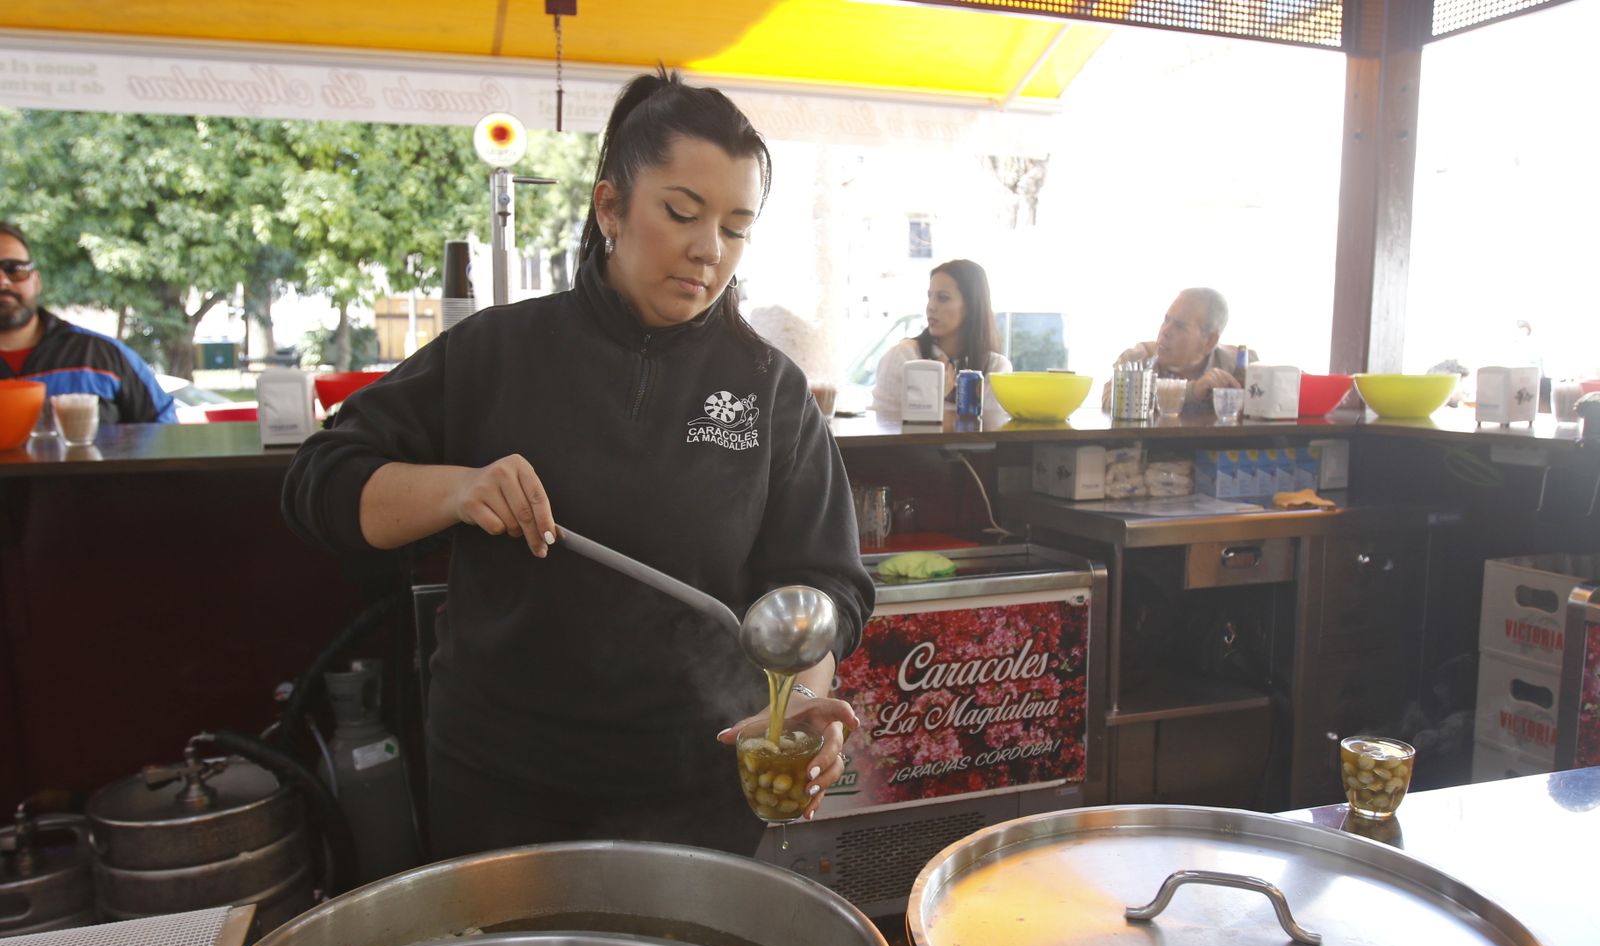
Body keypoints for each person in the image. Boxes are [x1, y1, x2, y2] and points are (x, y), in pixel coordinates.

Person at [282, 70, 874, 862]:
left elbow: (827, 586)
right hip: (503, 781)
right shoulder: (496, 352)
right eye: (682, 213)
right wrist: (458, 489)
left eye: (736, 228)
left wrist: (803, 696)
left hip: (695, 782)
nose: (709, 249)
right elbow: (319, 481)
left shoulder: (769, 389)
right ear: (609, 208)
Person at [0, 222, 176, 425]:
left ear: (36, 281)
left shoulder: (104, 357)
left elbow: (165, 429)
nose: (2, 281)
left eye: (14, 269)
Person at [871, 259, 1012, 417]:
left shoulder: (996, 367)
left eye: (943, 298)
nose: (930, 306)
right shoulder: (903, 357)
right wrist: (931, 399)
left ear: (971, 306)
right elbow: (882, 423)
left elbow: (992, 427)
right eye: (929, 296)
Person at [1102, 287, 1254, 414]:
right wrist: (1192, 391)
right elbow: (1111, 401)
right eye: (1166, 320)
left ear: (1209, 341)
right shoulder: (1138, 359)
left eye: (1180, 326)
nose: (1165, 331)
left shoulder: (1239, 365)